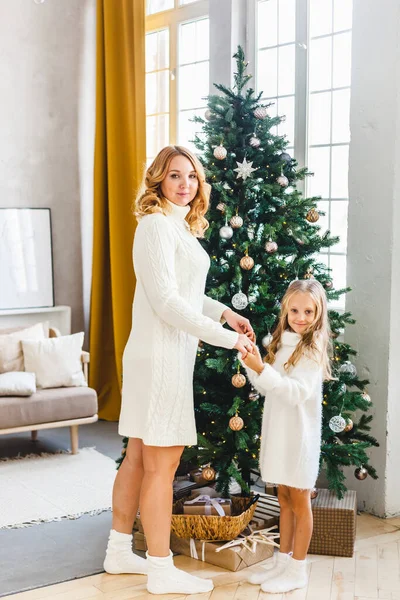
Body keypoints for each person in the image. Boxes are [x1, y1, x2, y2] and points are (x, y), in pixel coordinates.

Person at [103, 145, 255, 595]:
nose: (185, 183)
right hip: (160, 358)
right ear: (158, 181)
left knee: (137, 457)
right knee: (161, 467)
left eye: (191, 176)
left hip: (164, 354)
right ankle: (160, 567)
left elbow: (183, 293)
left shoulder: (177, 227)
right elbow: (166, 302)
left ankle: (117, 552)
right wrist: (230, 339)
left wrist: (225, 312)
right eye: (174, 176)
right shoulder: (154, 226)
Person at [240, 279, 331, 594]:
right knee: (284, 498)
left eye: (308, 311)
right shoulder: (284, 343)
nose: (301, 317)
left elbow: (294, 392)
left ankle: (298, 568)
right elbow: (268, 386)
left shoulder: (311, 349)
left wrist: (262, 370)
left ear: (318, 313)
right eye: (294, 310)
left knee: (300, 500)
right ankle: (284, 558)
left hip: (299, 437)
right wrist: (254, 363)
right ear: (285, 310)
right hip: (280, 433)